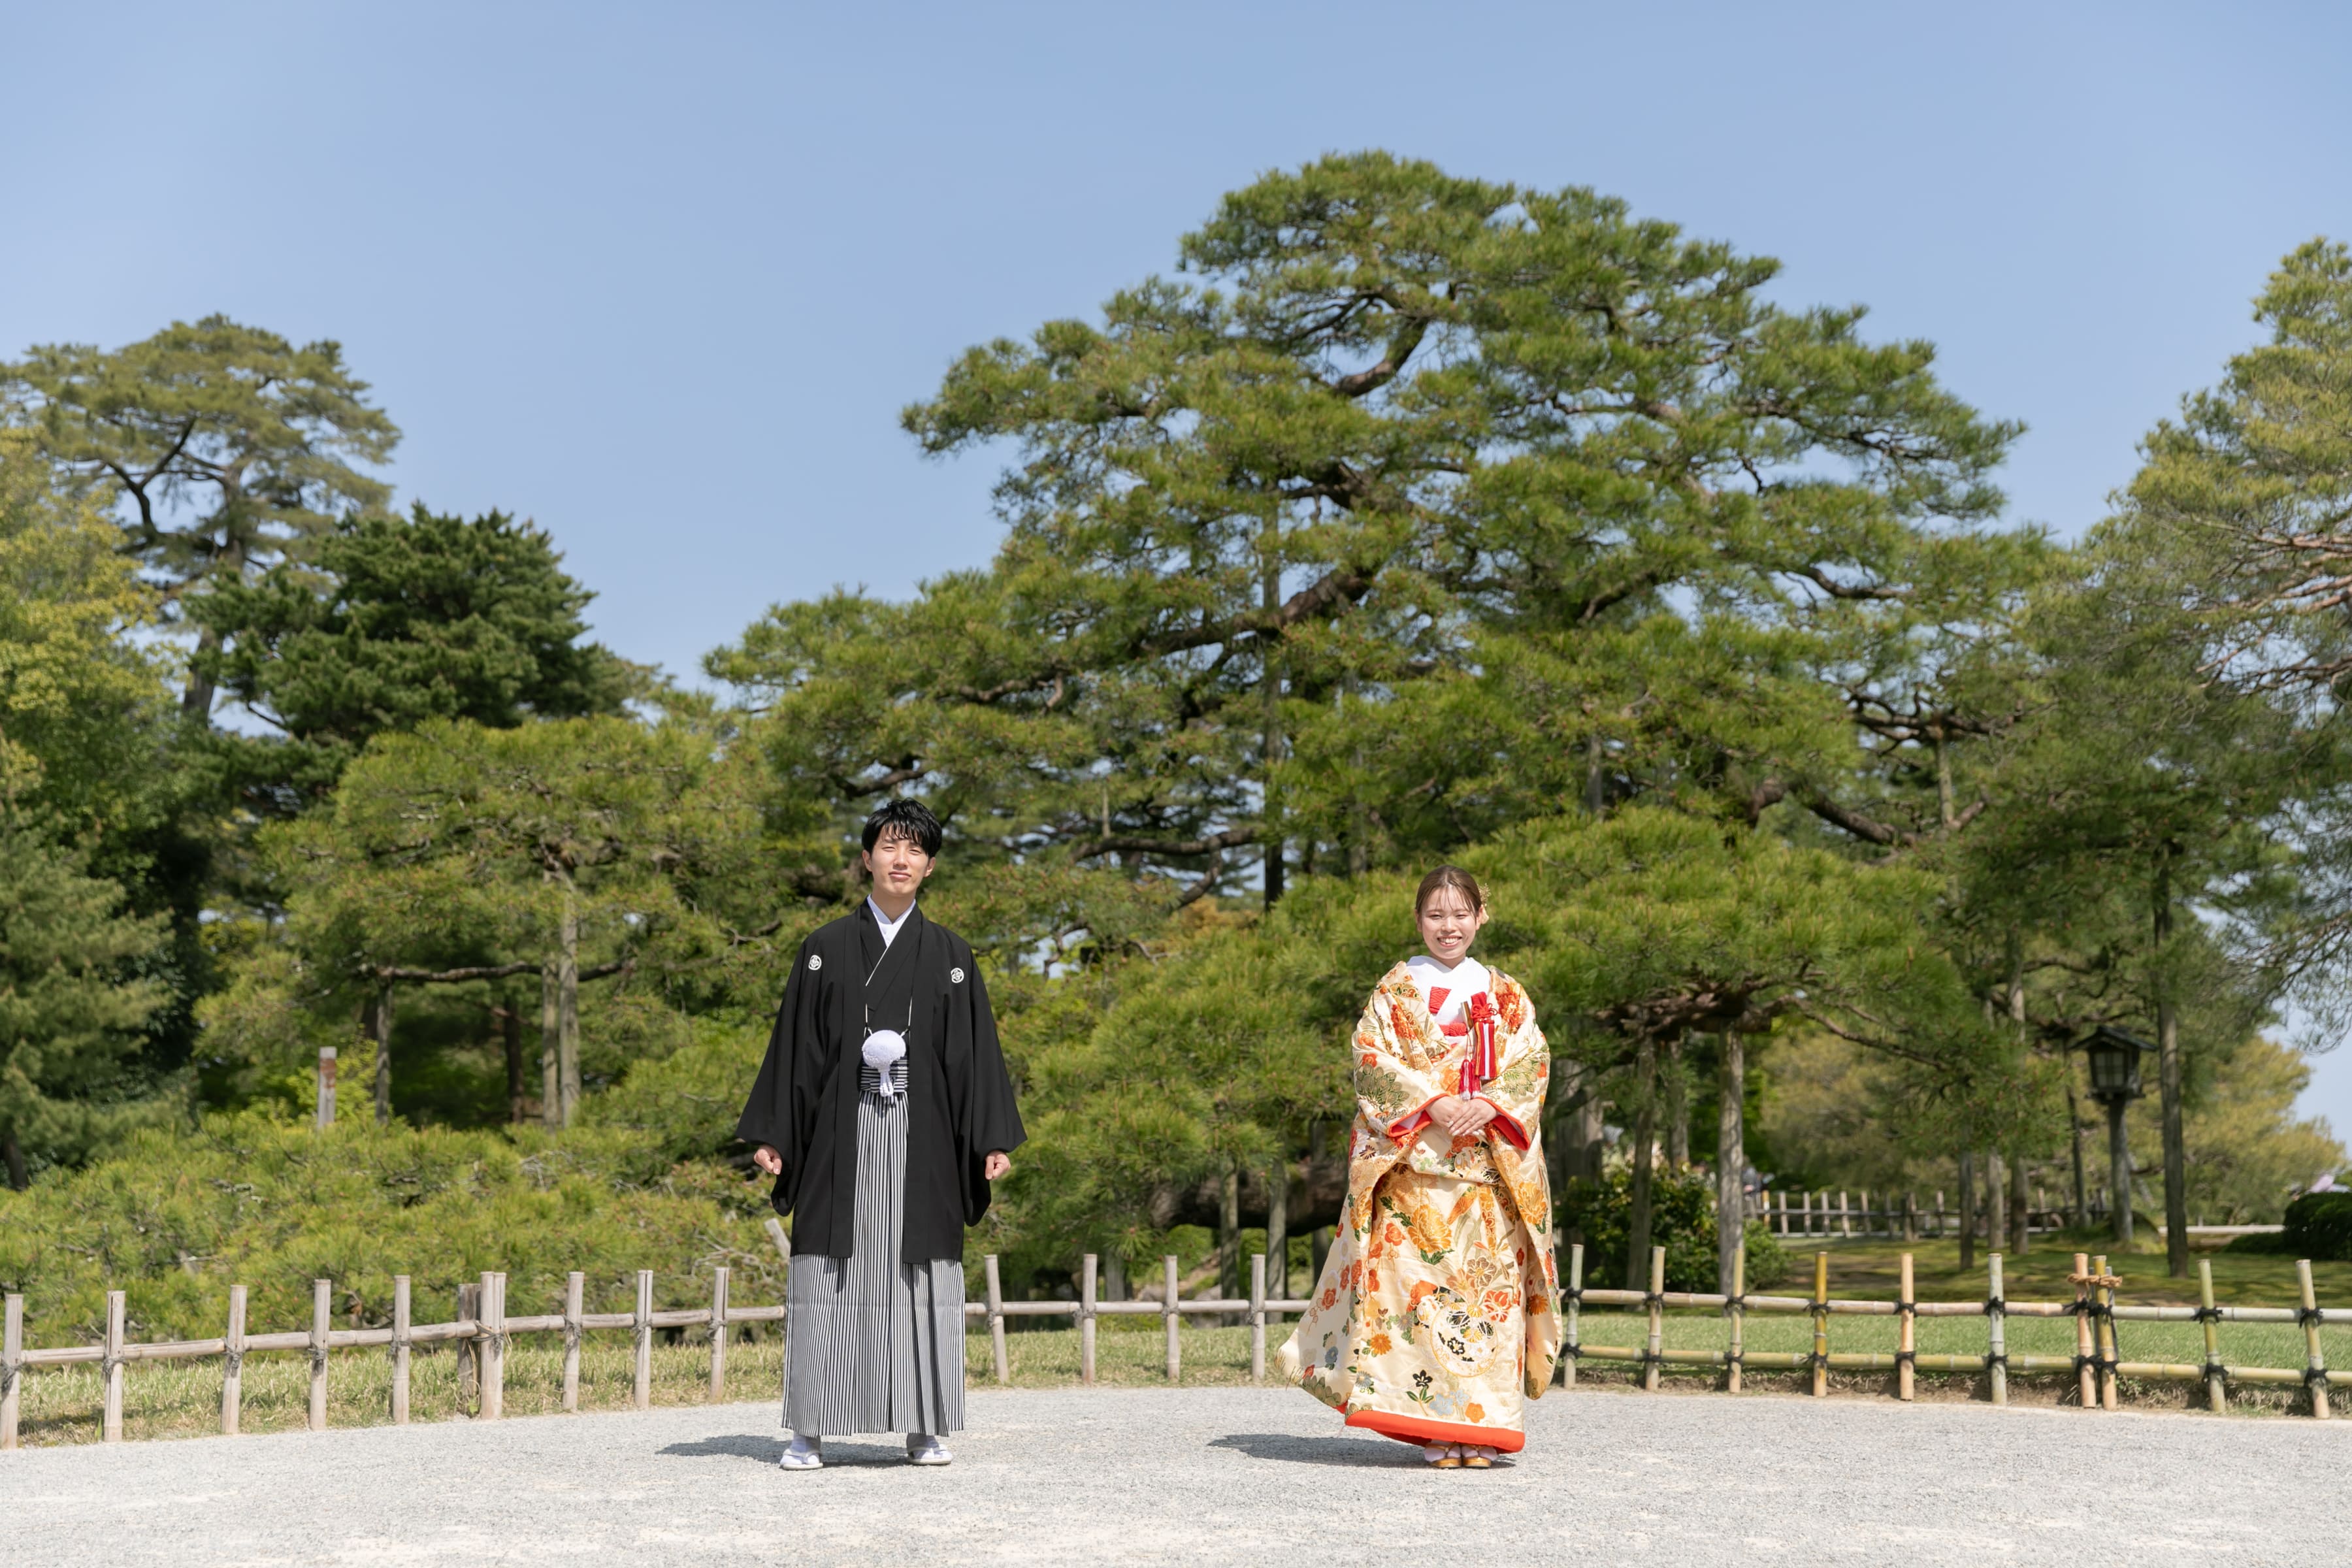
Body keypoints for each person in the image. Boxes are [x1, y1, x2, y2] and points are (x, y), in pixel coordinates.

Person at [736, 799, 1025, 1470]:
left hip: (926, 1140)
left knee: (920, 1272)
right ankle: (810, 1428)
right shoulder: (824, 949)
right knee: (829, 1271)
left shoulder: (951, 955)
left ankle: (923, 1426)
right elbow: (797, 1051)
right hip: (840, 1137)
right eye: (889, 847)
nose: (902, 860)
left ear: (930, 866)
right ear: (866, 859)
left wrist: (990, 1138)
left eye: (915, 850)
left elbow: (974, 1057)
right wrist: (776, 1132)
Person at [1276, 866, 1560, 1469]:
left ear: (1481, 916)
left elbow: (1531, 1062)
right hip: (1413, 1178)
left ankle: (1483, 1429)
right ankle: (1433, 1428)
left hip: (1486, 1176)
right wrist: (1433, 1102)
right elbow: (1371, 1061)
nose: (1448, 927)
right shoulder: (1394, 991)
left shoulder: (1507, 994)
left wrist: (1488, 1104)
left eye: (1460, 914)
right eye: (1436, 915)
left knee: (1487, 1300)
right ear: (1418, 920)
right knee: (1416, 1302)